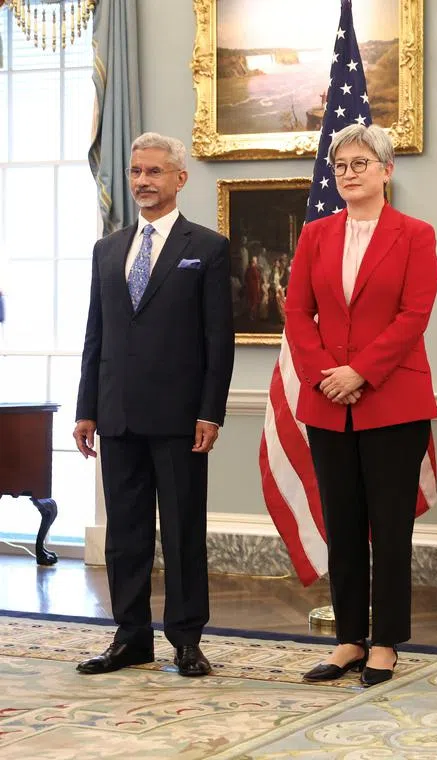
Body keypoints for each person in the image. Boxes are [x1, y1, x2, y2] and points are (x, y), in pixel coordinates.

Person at [74, 132, 235, 678]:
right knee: (125, 534)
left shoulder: (207, 248)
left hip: (180, 419)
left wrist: (211, 411)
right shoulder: (108, 249)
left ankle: (187, 640)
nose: (143, 181)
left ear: (179, 178)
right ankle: (131, 637)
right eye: (136, 171)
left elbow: (219, 341)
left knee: (184, 531)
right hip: (116, 415)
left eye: (154, 172)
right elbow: (96, 335)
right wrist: (86, 409)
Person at [285, 123, 437, 687]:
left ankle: (385, 644)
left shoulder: (415, 234)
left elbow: (413, 316)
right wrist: (325, 376)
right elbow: (297, 311)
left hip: (393, 402)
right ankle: (349, 640)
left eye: (360, 164)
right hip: (327, 401)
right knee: (342, 525)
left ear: (386, 171)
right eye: (341, 165)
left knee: (390, 528)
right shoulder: (316, 236)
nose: (349, 173)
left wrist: (360, 373)